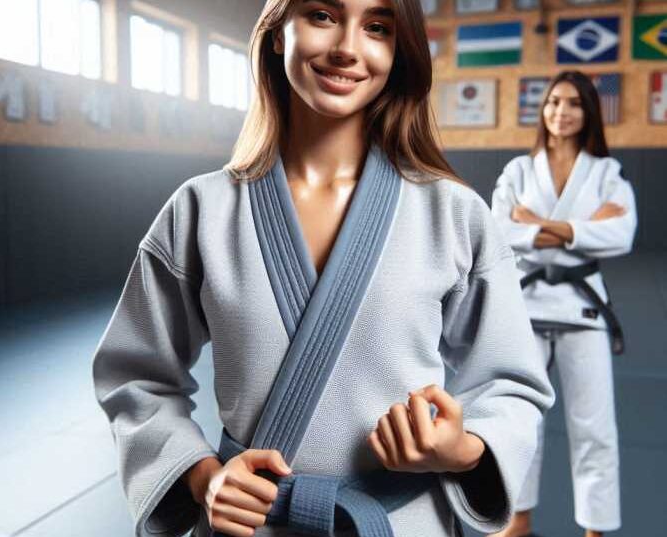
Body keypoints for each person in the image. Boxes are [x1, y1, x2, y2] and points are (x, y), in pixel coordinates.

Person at [92, 1, 553, 536]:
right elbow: (135, 374)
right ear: (277, 35)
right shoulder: (201, 210)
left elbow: (512, 381)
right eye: (322, 16)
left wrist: (465, 448)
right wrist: (203, 477)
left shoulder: (452, 213)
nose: (347, 49)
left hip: (402, 521)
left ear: (397, 51)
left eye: (377, 27)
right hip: (253, 523)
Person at [490, 71, 637, 537]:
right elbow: (499, 232)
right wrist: (582, 226)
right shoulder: (518, 171)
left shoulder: (606, 174)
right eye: (554, 102)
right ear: (544, 109)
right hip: (526, 306)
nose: (561, 112)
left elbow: (621, 234)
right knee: (519, 421)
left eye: (573, 103)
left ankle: (596, 528)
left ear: (588, 112)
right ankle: (517, 519)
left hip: (582, 308)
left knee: (595, 427)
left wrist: (537, 223)